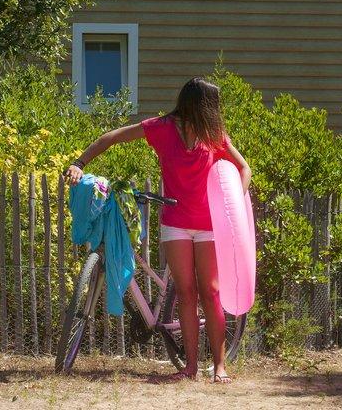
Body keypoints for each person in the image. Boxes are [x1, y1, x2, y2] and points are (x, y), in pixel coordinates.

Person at [64, 77, 251, 383]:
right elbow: (112, 137)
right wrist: (79, 162)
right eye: (213, 106)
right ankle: (189, 367)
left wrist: (233, 207)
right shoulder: (162, 128)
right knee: (187, 294)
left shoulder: (214, 135)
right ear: (200, 105)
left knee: (211, 292)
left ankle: (220, 365)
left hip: (209, 225)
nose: (217, 112)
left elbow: (244, 169)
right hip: (176, 222)